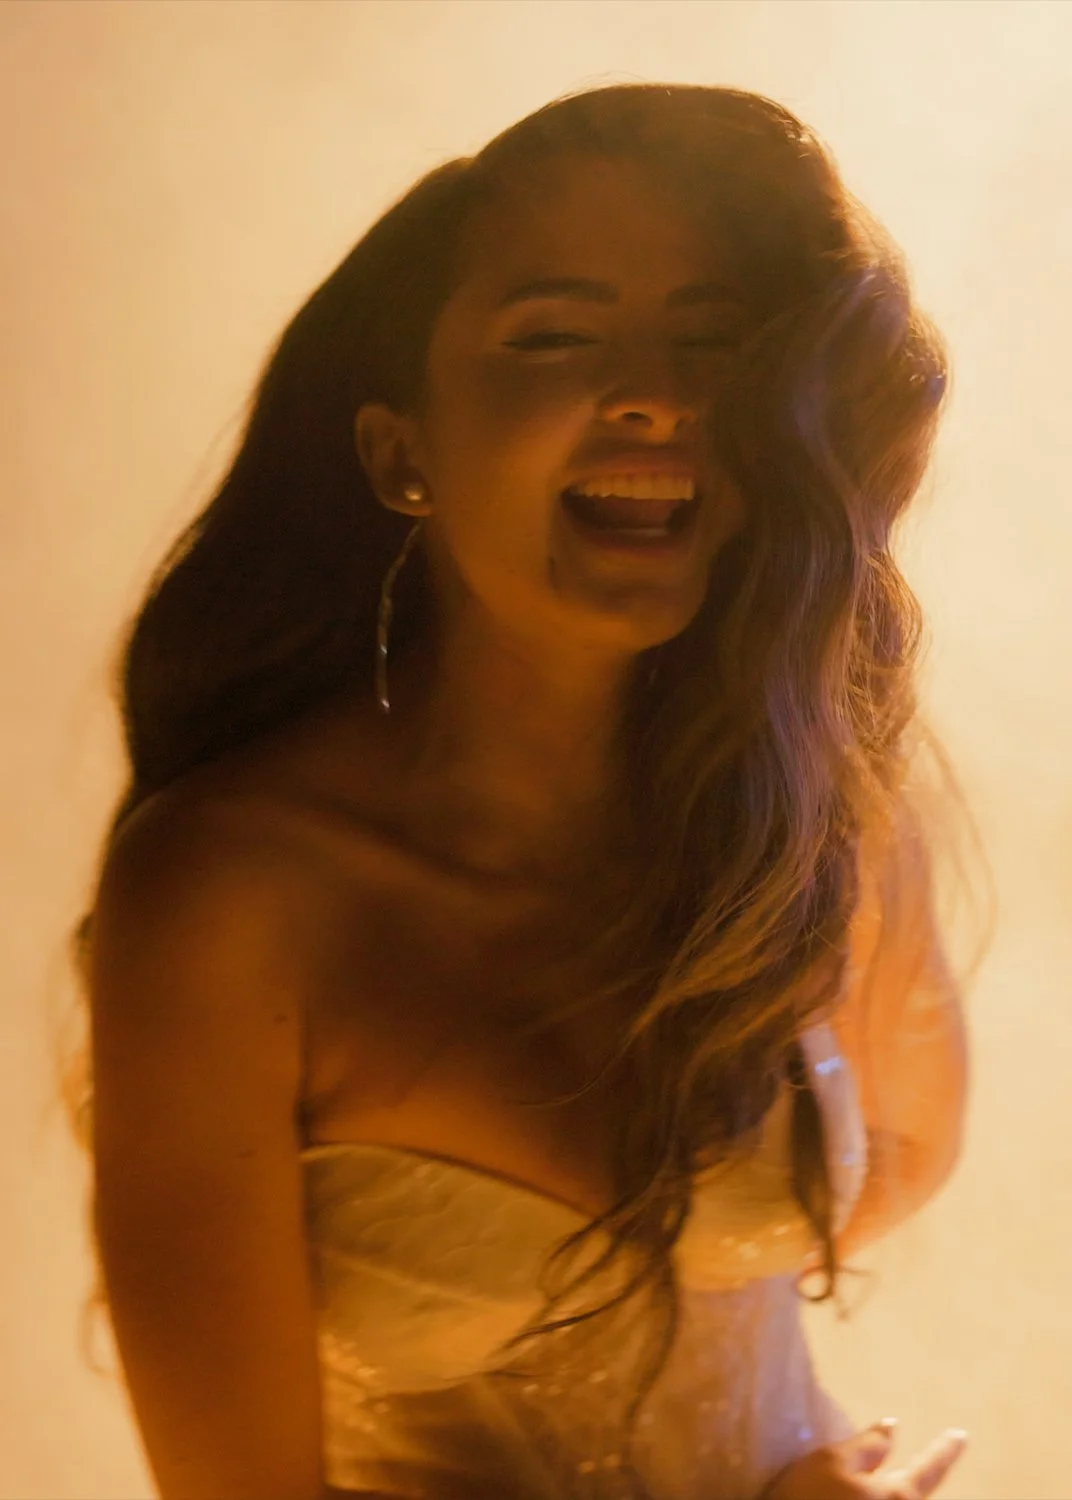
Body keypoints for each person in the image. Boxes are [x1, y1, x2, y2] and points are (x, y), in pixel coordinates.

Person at [61, 83, 989, 1500]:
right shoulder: (232, 897)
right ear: (400, 453)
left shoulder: (817, 814)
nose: (652, 392)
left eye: (712, 341)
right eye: (554, 335)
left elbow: (896, 1163)